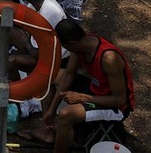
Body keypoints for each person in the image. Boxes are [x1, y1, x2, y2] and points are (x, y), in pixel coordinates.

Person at [28, 17, 135, 151]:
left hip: (116, 107)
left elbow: (120, 100)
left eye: (64, 46)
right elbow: (69, 75)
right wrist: (51, 110)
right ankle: (49, 131)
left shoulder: (108, 59)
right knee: (49, 77)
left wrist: (82, 98)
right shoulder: (79, 47)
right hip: (95, 90)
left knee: (66, 114)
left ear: (71, 43)